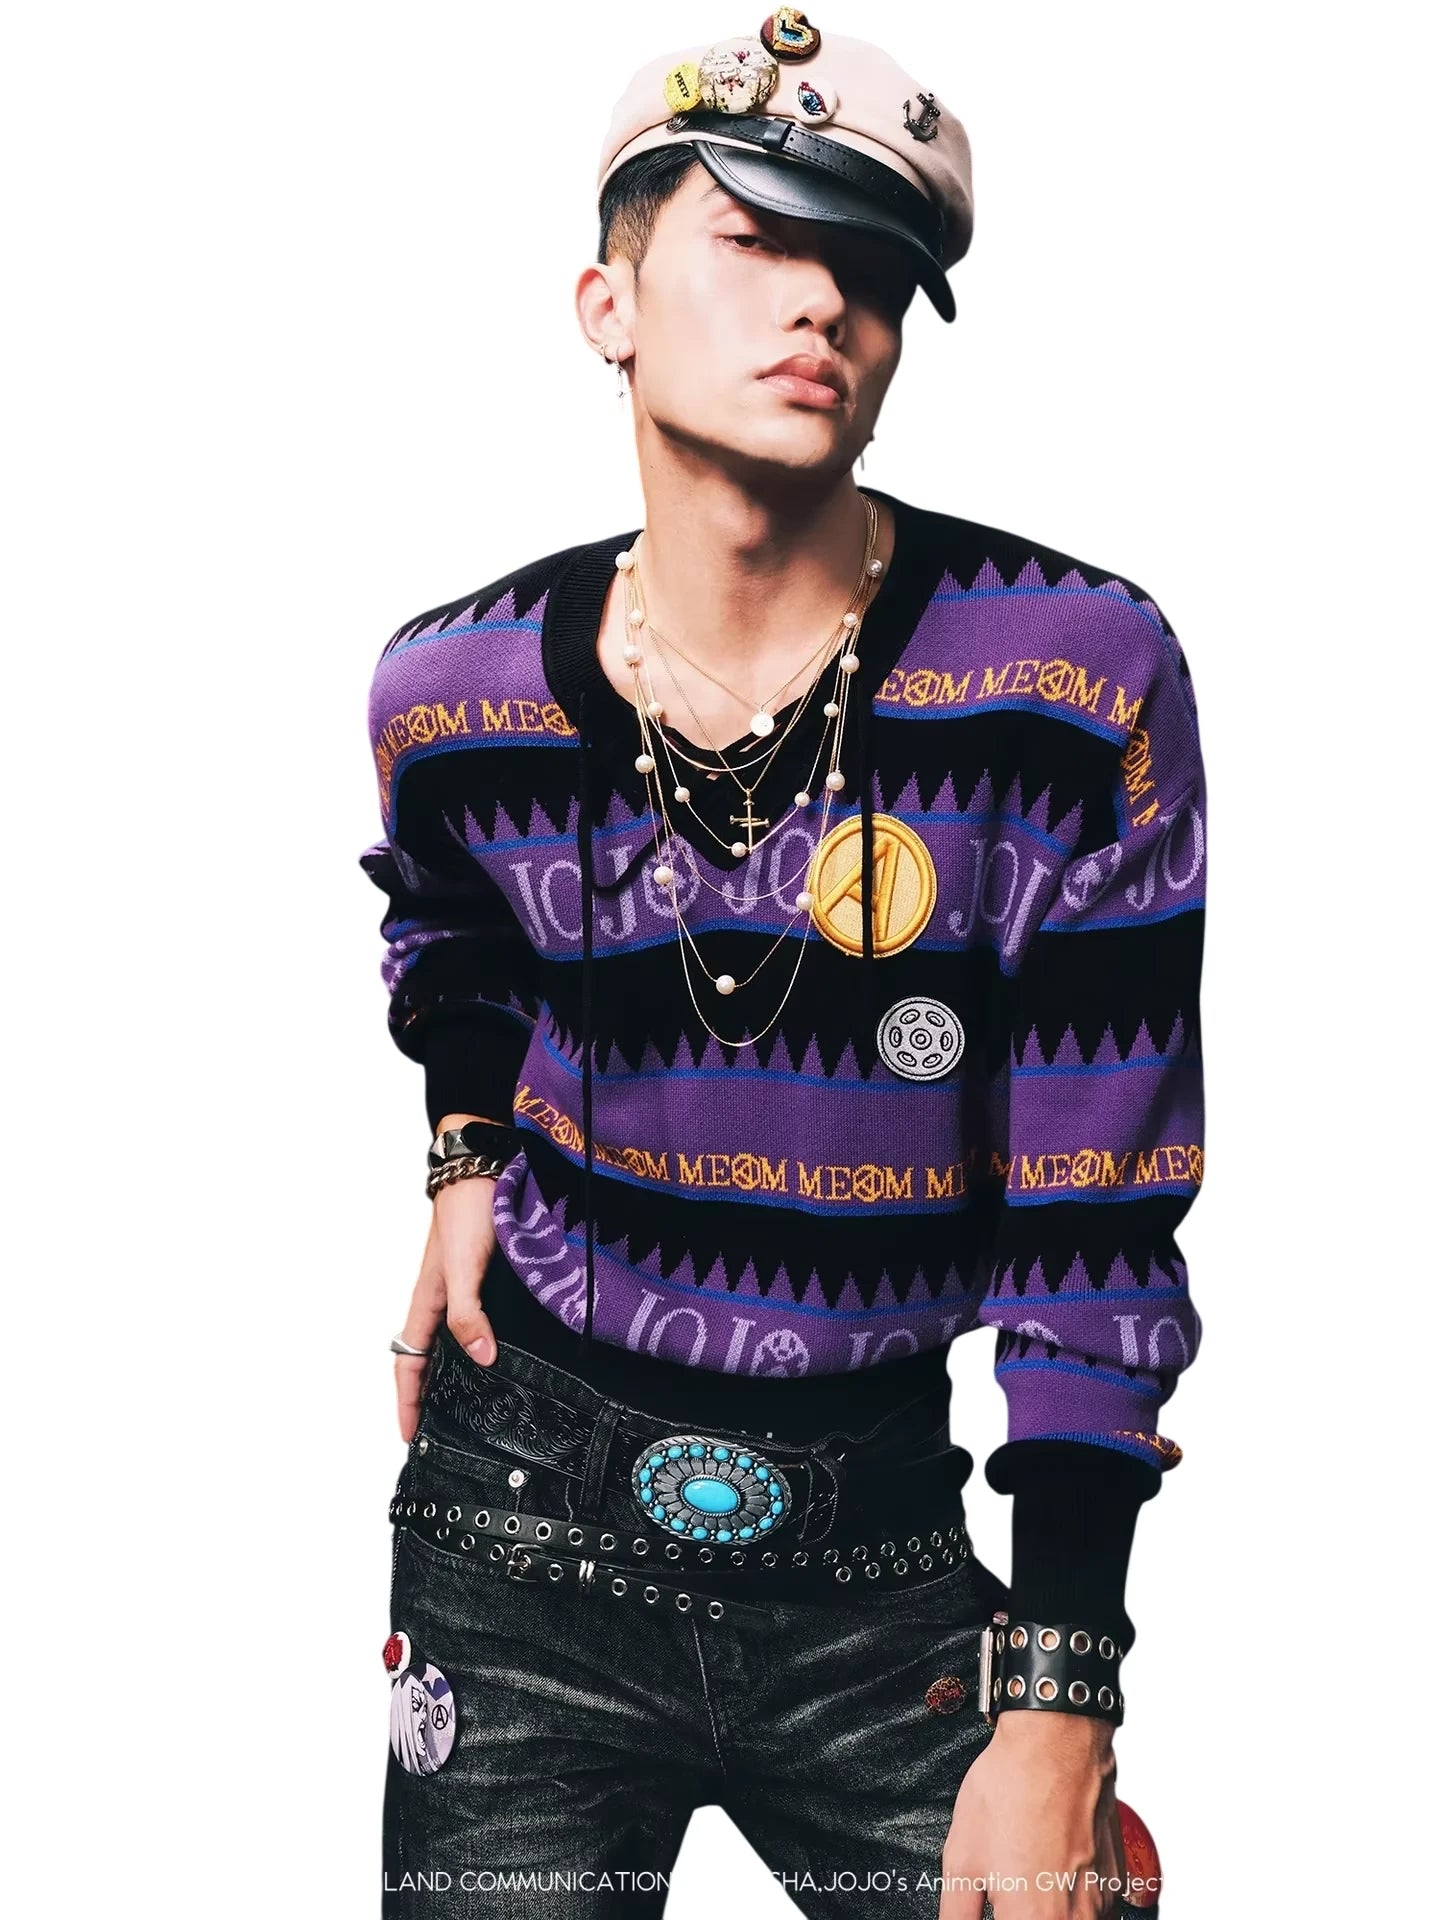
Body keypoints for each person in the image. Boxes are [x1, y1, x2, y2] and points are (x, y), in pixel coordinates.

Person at [362, 20, 1203, 1918]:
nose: (824, 299)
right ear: (606, 304)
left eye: (875, 271)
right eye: (755, 239)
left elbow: (1099, 1210)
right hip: (521, 1530)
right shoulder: (451, 688)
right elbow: (449, 927)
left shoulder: (1074, 683)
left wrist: (1063, 1694)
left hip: (883, 1554)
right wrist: (468, 1146)